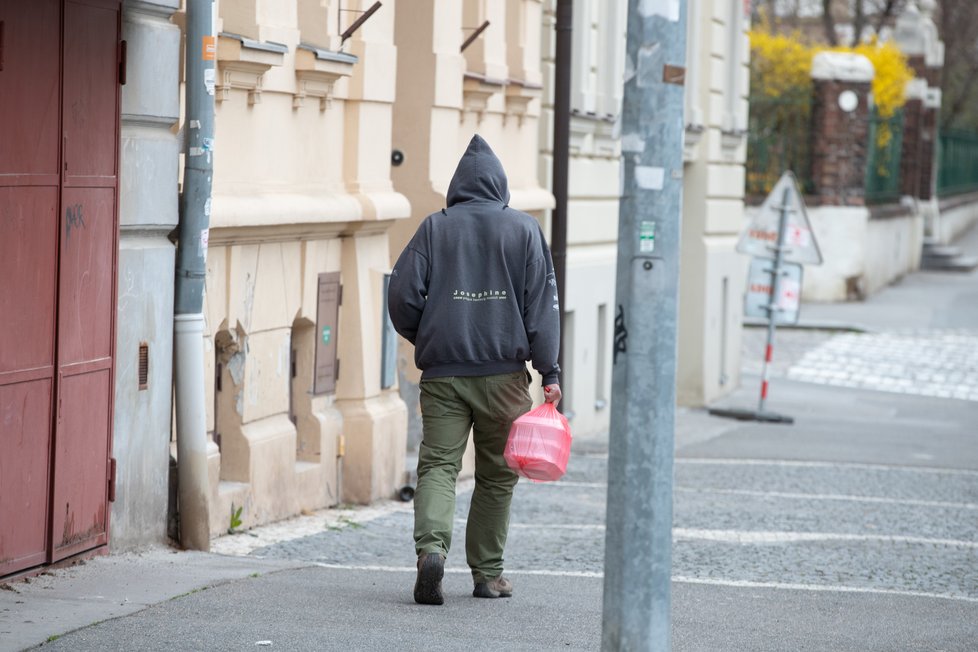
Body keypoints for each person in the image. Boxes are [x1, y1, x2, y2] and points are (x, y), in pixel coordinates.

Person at [388, 134, 562, 606]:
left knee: (440, 466)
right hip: (505, 375)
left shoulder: (434, 228)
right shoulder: (524, 230)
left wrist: (426, 334)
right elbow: (542, 305)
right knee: (497, 474)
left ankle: (430, 552)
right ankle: (487, 575)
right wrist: (549, 371)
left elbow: (401, 294)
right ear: (500, 185)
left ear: (457, 187)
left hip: (444, 374)